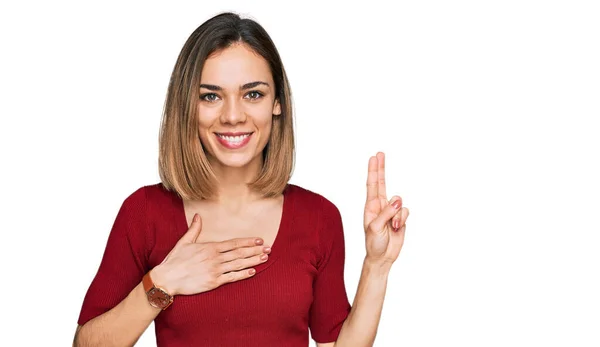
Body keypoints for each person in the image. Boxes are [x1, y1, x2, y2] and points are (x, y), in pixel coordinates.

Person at [73, 11, 409, 347]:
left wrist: (377, 265)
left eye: (253, 94)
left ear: (277, 103)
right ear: (188, 105)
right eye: (211, 96)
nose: (233, 116)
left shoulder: (318, 217)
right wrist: (161, 283)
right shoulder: (144, 212)